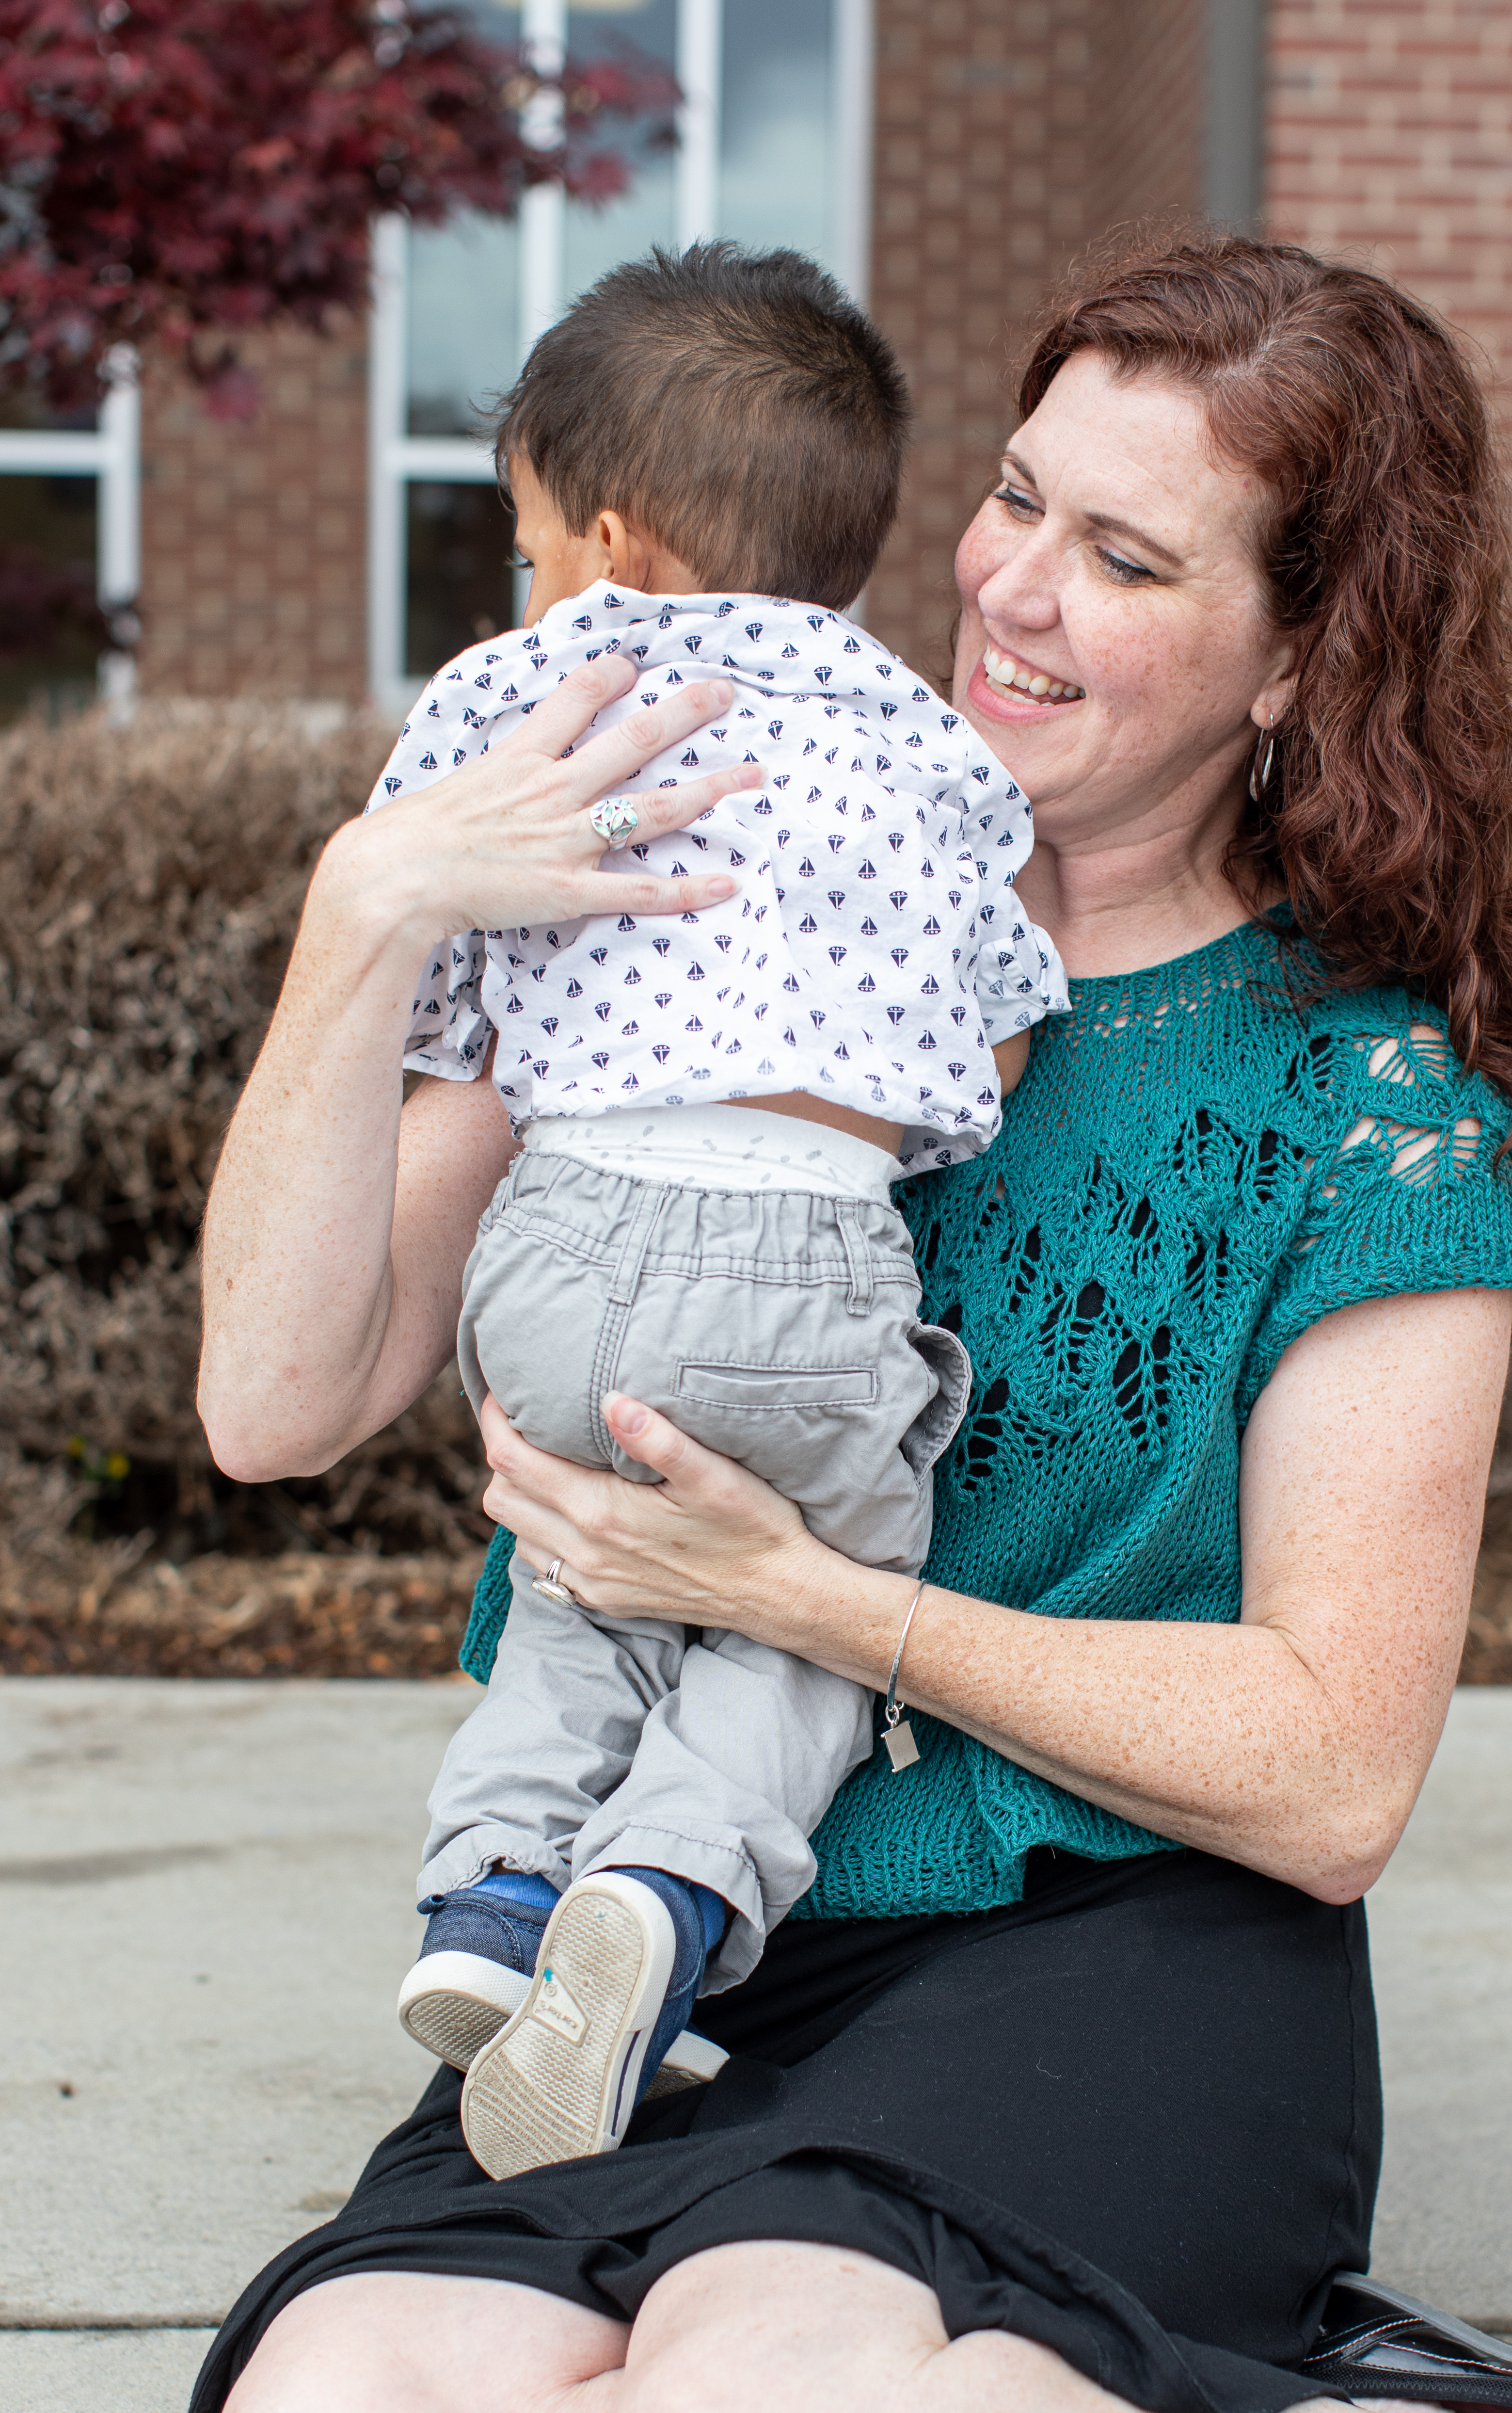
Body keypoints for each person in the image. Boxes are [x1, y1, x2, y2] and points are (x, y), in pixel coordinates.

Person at [149, 230, 1512, 2413]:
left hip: (1120, 1945)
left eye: (1129, 555)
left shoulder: (1353, 1100)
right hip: (699, 1938)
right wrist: (369, 923)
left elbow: (1330, 1777)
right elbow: (276, 1405)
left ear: (1301, 661)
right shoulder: (675, 876)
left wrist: (820, 1608)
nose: (1008, 586)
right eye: (1009, 499)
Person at [367, 243, 1065, 2179]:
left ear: (605, 544)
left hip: (561, 1240)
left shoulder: (512, 692)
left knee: (585, 1580)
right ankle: (662, 1901)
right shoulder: (916, 739)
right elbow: (1000, 1019)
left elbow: (429, 971)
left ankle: (494, 1897)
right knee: (812, 1617)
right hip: (810, 1258)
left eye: (525, 548)